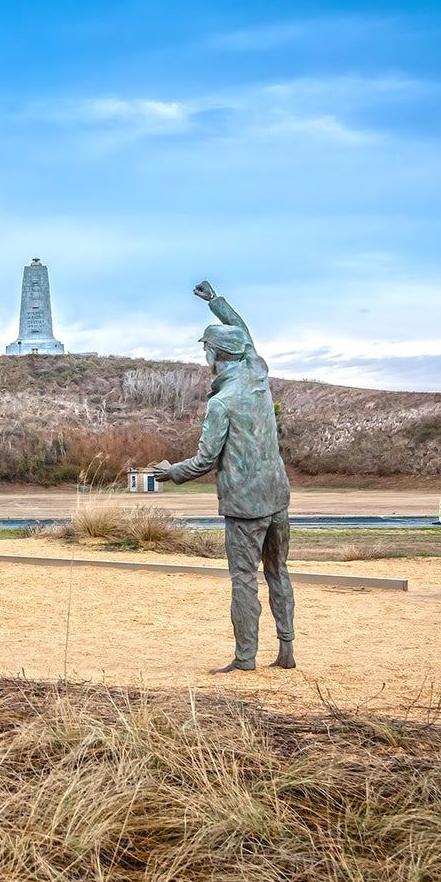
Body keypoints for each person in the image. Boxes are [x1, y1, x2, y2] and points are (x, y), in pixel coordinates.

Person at [153, 281, 295, 674]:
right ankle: (287, 648)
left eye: (206, 350)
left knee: (244, 579)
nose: (205, 356)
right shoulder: (257, 376)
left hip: (245, 505)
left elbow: (204, 460)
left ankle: (245, 657)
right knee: (278, 571)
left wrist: (170, 473)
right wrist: (216, 302)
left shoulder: (223, 402)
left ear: (214, 355)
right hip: (277, 494)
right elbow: (245, 335)